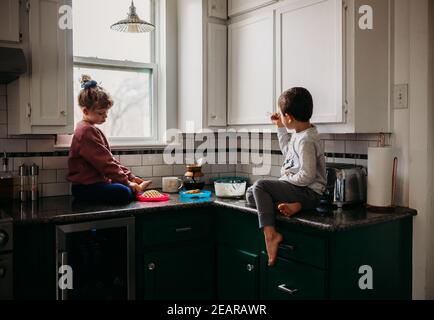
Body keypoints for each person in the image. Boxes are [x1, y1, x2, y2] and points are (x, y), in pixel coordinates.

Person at [246, 87, 326, 267]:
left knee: (260, 187)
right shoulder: (300, 134)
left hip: (308, 192)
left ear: (289, 117)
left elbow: (307, 176)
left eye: (282, 116)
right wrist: (280, 128)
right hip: (299, 191)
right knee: (252, 195)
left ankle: (270, 234)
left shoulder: (306, 140)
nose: (281, 118)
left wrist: (283, 180)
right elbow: (288, 153)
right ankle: (295, 206)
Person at [67, 75, 152, 204]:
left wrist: (131, 177)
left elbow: (109, 160)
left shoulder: (90, 129)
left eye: (106, 113)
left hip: (95, 185)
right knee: (123, 191)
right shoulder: (86, 131)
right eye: (101, 113)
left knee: (124, 189)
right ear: (85, 111)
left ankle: (135, 189)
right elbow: (106, 164)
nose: (105, 117)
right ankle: (136, 190)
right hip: (85, 188)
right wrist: (127, 182)